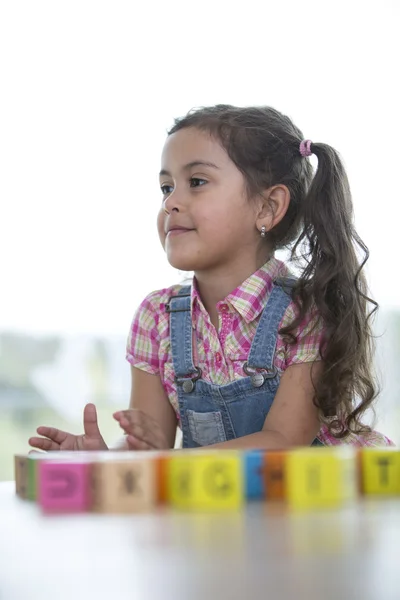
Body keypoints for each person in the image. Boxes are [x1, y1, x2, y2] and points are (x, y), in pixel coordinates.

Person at [28, 104, 394, 454]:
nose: (171, 203)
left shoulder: (306, 310)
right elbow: (149, 446)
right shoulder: (156, 317)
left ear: (268, 207)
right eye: (166, 187)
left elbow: (282, 443)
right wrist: (109, 456)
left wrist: (163, 462)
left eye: (197, 181)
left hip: (326, 506)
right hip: (232, 507)